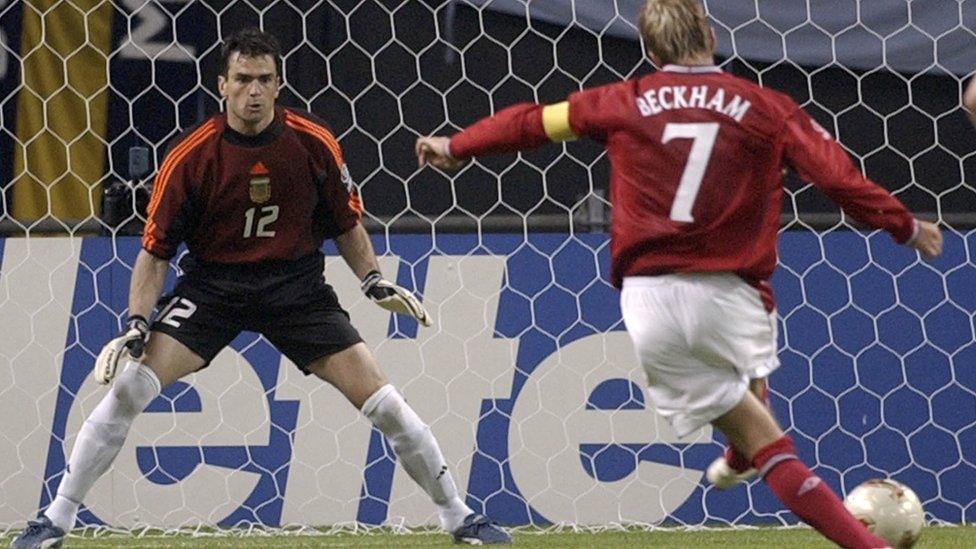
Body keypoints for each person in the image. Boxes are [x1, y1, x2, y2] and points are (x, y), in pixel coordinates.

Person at [415, 1, 942, 547]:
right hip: (734, 296)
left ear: (648, 49)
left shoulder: (622, 102)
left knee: (743, 410)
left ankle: (738, 453)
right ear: (710, 34)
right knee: (771, 443)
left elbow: (531, 122)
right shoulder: (767, 107)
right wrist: (904, 226)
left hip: (650, 301)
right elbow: (836, 178)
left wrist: (457, 145)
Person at [11, 28, 510, 548]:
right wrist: (138, 323)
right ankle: (55, 520)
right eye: (243, 79)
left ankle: (461, 519)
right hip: (212, 289)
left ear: (279, 85)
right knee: (131, 388)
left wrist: (372, 279)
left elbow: (347, 224)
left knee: (385, 404)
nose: (253, 91)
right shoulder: (191, 157)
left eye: (264, 80)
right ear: (222, 85)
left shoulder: (313, 143)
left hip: (297, 291)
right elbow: (154, 254)